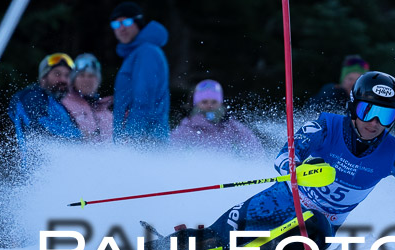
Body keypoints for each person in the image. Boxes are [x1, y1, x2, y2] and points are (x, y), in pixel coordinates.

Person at [79, 71, 395, 250]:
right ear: (353, 105)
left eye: (385, 116)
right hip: (281, 199)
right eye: (367, 110)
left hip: (313, 225)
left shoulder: (393, 154)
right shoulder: (326, 125)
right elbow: (285, 152)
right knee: (217, 235)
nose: (373, 123)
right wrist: (296, 165)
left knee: (315, 229)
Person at [109, 1, 170, 143]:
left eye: (126, 22)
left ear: (138, 23)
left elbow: (145, 95)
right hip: (139, 137)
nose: (121, 28)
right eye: (116, 24)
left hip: (144, 139)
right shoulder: (136, 54)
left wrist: (133, 135)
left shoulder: (146, 52)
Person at [7, 53, 82, 158]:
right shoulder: (32, 97)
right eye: (57, 74)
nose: (63, 80)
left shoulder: (57, 105)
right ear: (43, 78)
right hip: (38, 171)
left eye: (67, 75)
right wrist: (79, 137)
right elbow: (39, 126)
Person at [171, 79, 262, 152]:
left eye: (214, 102)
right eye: (204, 102)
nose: (209, 105)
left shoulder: (229, 124)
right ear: (196, 104)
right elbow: (172, 147)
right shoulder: (189, 125)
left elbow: (252, 144)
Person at [61, 54, 113, 142]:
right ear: (74, 79)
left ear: (98, 80)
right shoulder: (63, 104)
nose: (86, 79)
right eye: (82, 75)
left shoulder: (108, 110)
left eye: (91, 76)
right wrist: (78, 136)